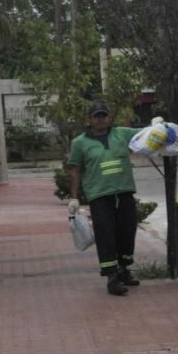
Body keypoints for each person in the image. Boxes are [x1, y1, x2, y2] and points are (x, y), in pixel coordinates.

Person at [66, 101, 143, 296]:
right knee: (106, 236)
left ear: (109, 118)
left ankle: (125, 270)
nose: (100, 119)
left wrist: (158, 127)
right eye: (96, 116)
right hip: (99, 196)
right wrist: (73, 198)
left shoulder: (122, 134)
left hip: (124, 192)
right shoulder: (79, 143)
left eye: (104, 116)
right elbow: (74, 171)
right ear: (89, 119)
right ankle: (112, 278)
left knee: (127, 233)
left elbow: (144, 136)